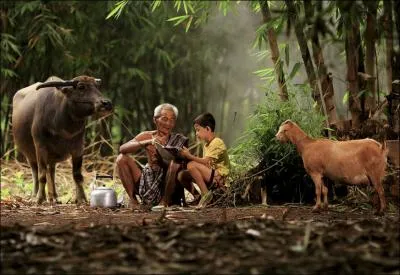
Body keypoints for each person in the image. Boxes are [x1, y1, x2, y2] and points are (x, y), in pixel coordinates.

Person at [116, 103, 195, 210]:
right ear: (155, 120)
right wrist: (148, 142)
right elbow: (122, 149)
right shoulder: (147, 136)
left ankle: (164, 202)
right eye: (164, 119)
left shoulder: (179, 139)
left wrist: (164, 154)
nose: (168, 123)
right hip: (146, 180)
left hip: (168, 184)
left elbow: (182, 164)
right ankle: (133, 201)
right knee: (121, 159)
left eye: (172, 120)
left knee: (175, 164)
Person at [179, 112, 230, 208]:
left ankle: (206, 195)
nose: (196, 134)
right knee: (182, 175)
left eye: (198, 130)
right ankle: (197, 197)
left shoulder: (217, 142)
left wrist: (189, 156)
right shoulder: (206, 144)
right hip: (211, 176)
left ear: (208, 129)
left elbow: (206, 161)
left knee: (191, 165)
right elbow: (207, 164)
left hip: (220, 180)